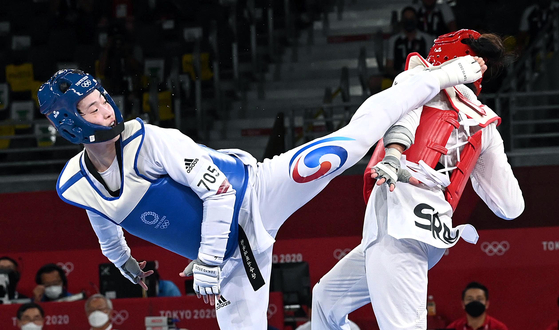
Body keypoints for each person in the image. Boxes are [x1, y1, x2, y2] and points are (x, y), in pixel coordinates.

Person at [37, 56, 483, 329]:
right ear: (70, 122)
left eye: (101, 97)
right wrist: (125, 264)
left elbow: (221, 195)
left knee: (348, 145)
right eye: (89, 106)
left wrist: (207, 263)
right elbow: (105, 224)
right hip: (233, 258)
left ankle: (430, 78)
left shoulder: (152, 141)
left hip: (256, 192)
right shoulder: (76, 185)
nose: (104, 107)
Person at [311, 29, 524, 330]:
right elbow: (511, 207)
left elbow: (402, 117)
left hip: (400, 228)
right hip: (429, 234)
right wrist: (471, 165)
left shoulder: (418, 79)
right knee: (326, 299)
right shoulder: (485, 123)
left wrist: (395, 154)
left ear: (442, 56)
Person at [370, 6, 434, 94]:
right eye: (406, 19)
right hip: (398, 78)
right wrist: (401, 76)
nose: (409, 21)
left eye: (411, 18)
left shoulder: (427, 39)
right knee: (374, 81)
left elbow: (431, 63)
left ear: (416, 20)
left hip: (421, 78)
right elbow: (389, 66)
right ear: (402, 21)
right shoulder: (394, 40)